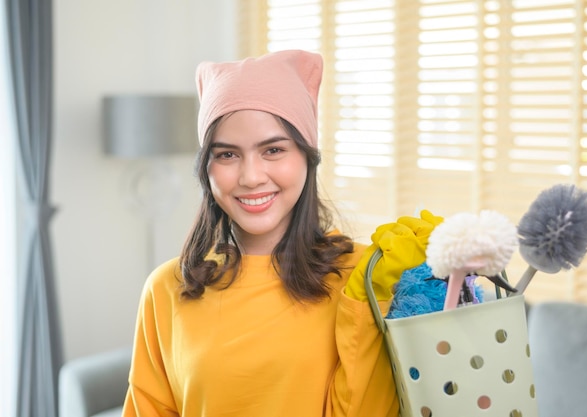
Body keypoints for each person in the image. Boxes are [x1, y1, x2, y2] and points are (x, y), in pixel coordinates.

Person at [122, 49, 442, 417]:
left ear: (307, 156)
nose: (251, 176)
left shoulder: (368, 276)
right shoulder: (167, 288)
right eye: (227, 155)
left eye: (273, 149)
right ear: (206, 168)